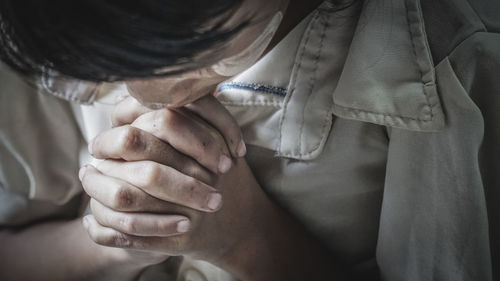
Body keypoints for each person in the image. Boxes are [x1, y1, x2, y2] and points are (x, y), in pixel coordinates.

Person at [0, 0, 499, 280]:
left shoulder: (452, 59)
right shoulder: (42, 22)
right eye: (103, 69)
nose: (149, 97)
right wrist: (120, 244)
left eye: (198, 53)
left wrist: (247, 239)